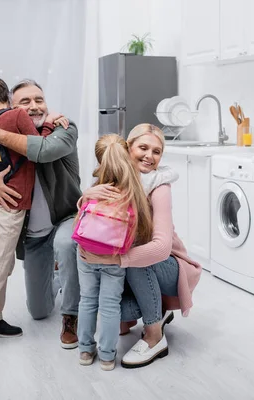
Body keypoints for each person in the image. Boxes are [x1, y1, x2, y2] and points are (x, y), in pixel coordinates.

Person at [0, 79, 82, 356]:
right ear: (11, 106)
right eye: (25, 102)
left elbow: (44, 150)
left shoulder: (63, 128)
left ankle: (71, 314)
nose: (34, 106)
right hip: (31, 236)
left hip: (63, 220)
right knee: (39, 311)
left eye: (39, 100)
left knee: (66, 246)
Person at [79, 123, 202, 369]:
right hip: (132, 264)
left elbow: (160, 249)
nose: (149, 156)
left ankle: (155, 336)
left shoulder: (159, 186)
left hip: (168, 266)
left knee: (139, 259)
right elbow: (94, 222)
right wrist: (86, 198)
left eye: (157, 151)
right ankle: (160, 308)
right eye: (143, 148)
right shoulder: (114, 178)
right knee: (119, 313)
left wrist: (113, 260)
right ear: (128, 148)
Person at [74, 134, 154, 371]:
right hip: (114, 260)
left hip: (86, 256)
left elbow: (77, 224)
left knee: (87, 301)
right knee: (110, 306)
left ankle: (85, 351)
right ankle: (108, 357)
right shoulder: (133, 192)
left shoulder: (94, 190)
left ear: (100, 160)